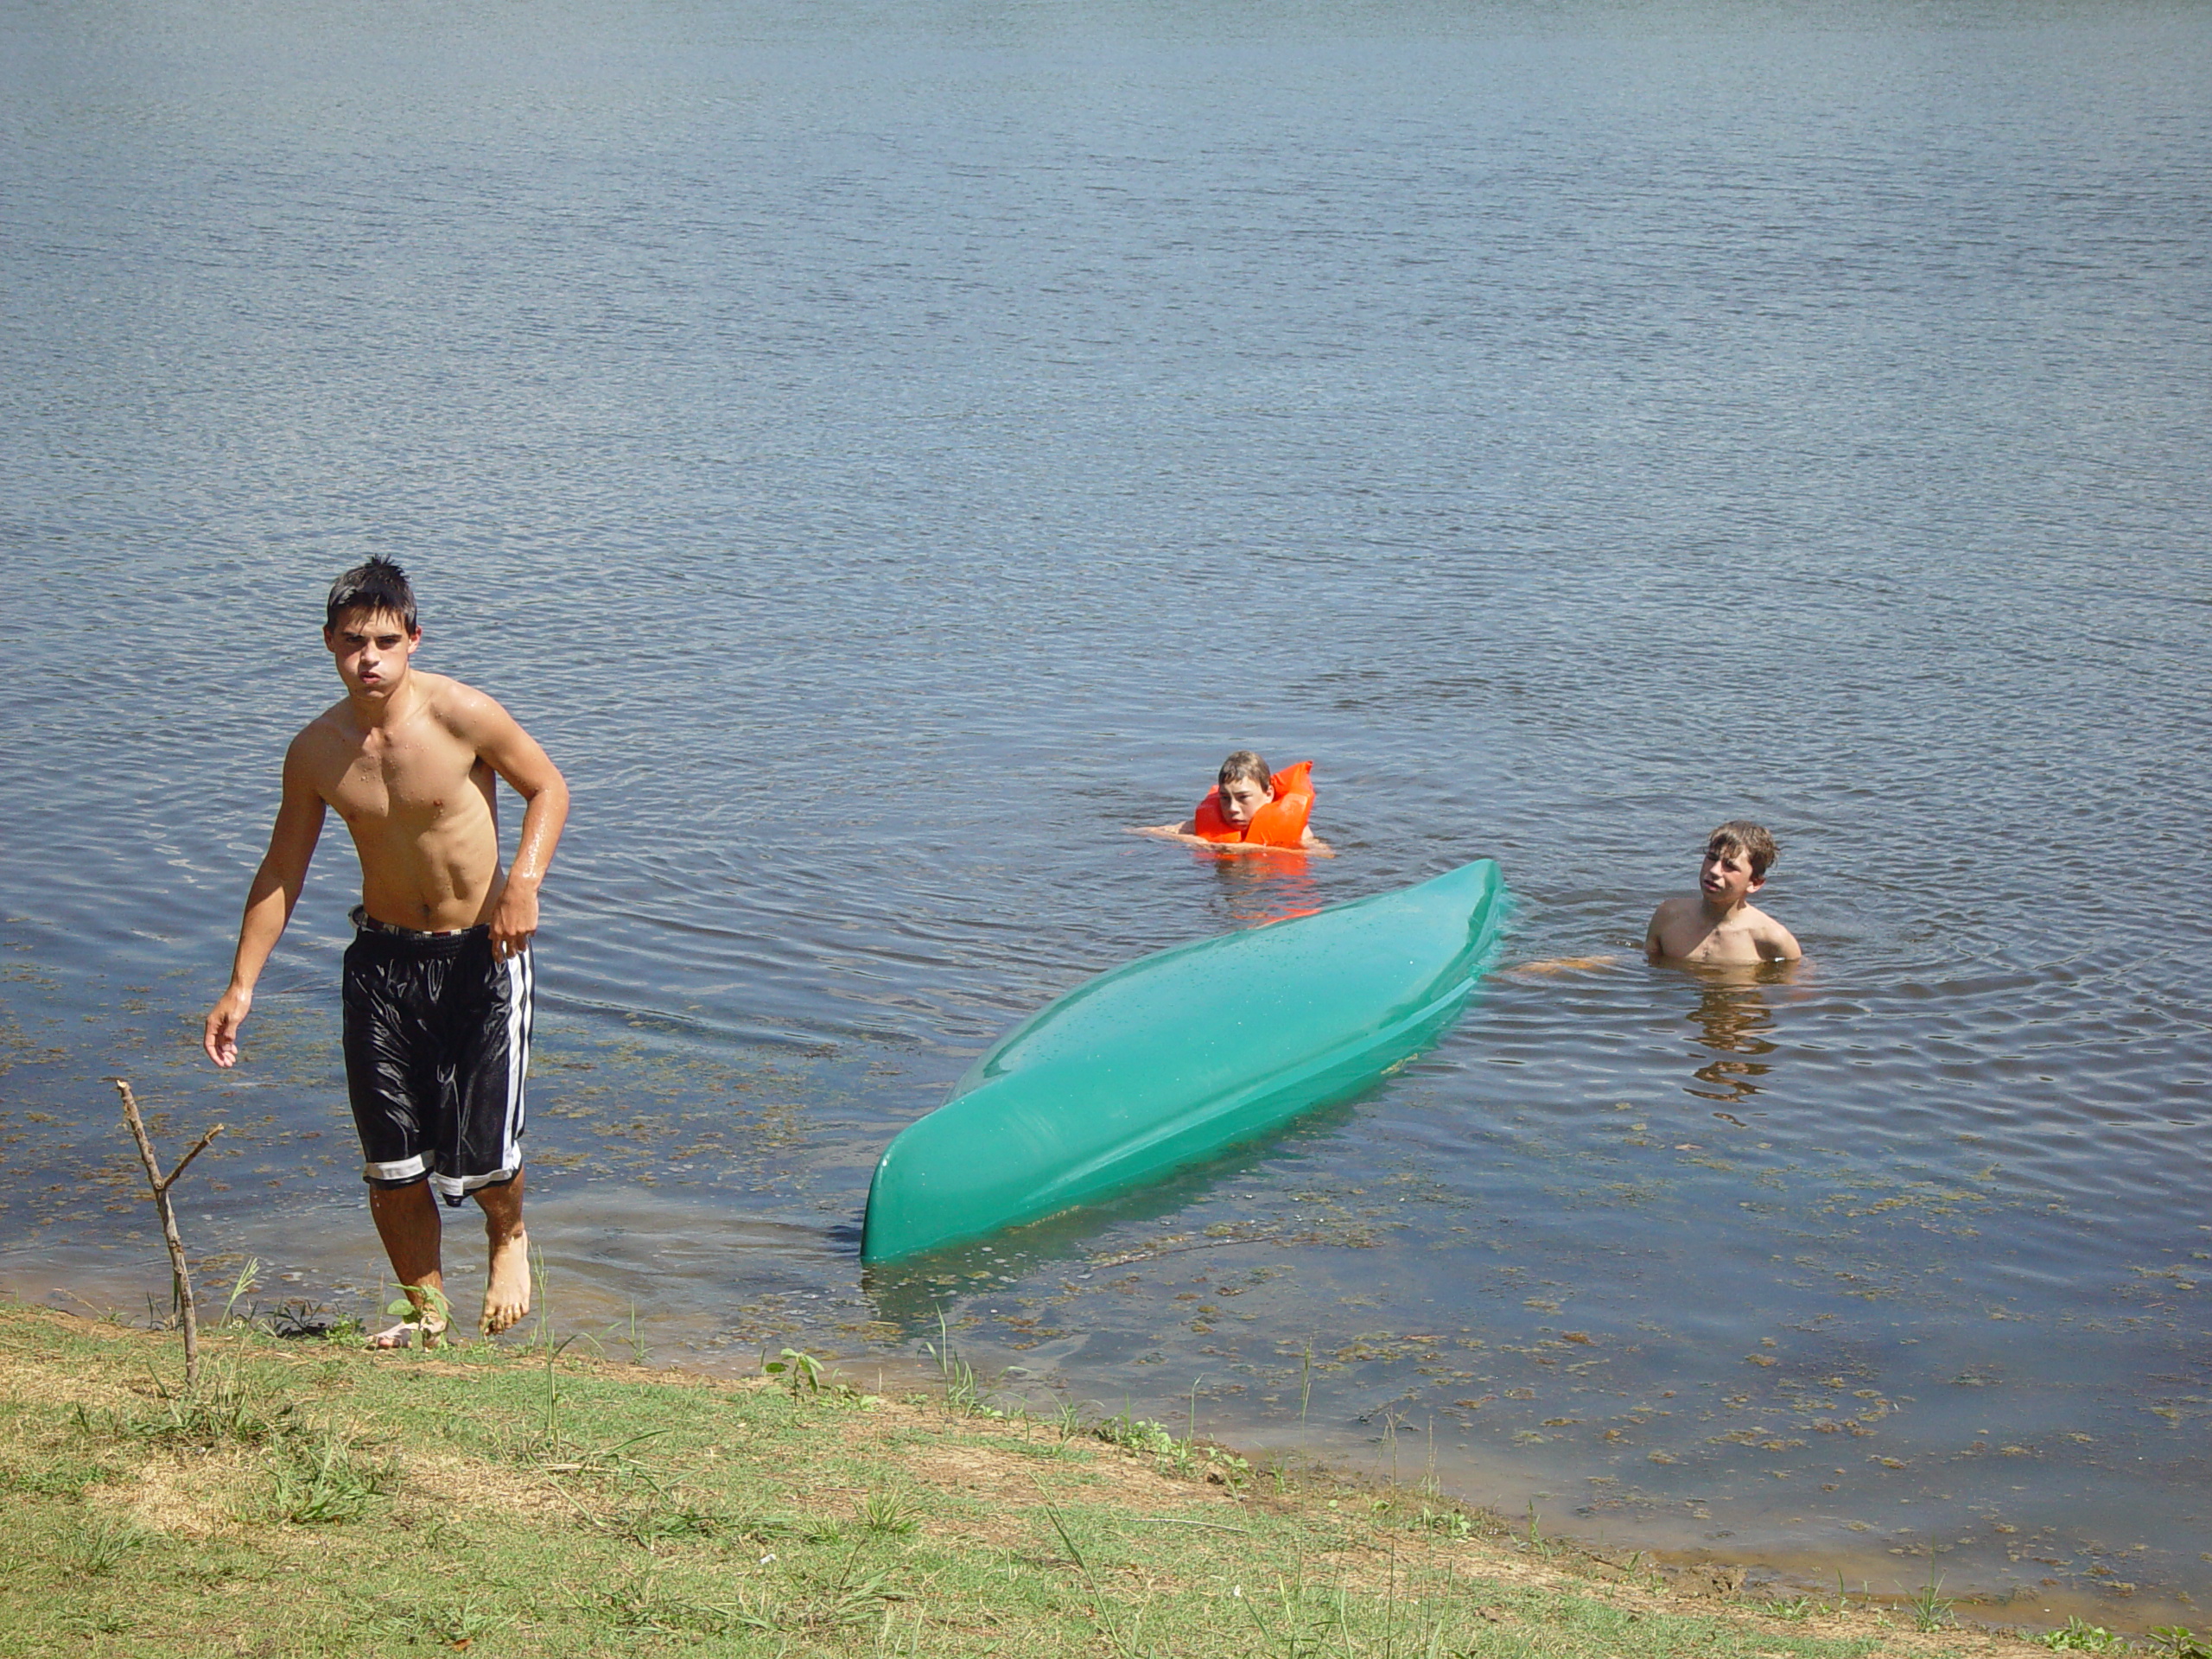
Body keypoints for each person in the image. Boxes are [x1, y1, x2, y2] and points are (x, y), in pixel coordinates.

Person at [203, 557, 569, 1347]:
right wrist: (242, 986)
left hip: (484, 953)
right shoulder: (317, 751)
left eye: (382, 640)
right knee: (392, 1157)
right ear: (329, 644)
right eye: (350, 643)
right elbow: (282, 869)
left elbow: (549, 787)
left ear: (412, 638)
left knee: (484, 1151)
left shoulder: (463, 713)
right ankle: (425, 1312)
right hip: (381, 964)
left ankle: (509, 1237)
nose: (367, 657)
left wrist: (524, 884)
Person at [1645, 820, 1802, 964]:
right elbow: (1648, 968)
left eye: (1730, 866)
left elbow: (1796, 990)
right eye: (1712, 858)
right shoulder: (1668, 916)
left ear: (1754, 883)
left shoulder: (1772, 939)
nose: (1714, 871)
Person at [1132, 750, 1333, 855]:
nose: (1232, 809)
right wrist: (1196, 841)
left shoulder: (1299, 831)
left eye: (1243, 798)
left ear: (1268, 793)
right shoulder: (1198, 827)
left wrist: (1252, 849)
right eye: (1225, 798)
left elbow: (1325, 855)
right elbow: (1143, 832)